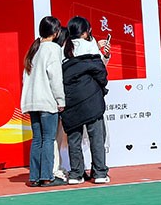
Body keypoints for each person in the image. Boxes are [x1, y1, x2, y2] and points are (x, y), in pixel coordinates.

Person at [60, 16, 111, 185]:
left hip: (70, 99)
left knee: (74, 138)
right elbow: (100, 70)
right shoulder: (90, 45)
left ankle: (76, 174)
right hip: (91, 99)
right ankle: (100, 172)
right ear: (84, 32)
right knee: (97, 137)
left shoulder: (63, 48)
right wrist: (100, 88)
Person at [22, 16, 67, 188]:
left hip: (32, 101)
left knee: (37, 139)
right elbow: (55, 78)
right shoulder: (53, 49)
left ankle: (34, 177)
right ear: (56, 32)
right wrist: (60, 100)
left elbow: (25, 77)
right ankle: (47, 177)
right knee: (48, 139)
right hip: (47, 101)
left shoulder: (34, 49)